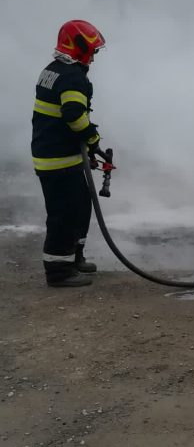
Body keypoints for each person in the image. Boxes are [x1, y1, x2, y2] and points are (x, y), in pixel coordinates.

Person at [31, 19, 107, 288]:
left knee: (80, 204)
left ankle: (74, 256)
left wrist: (90, 149)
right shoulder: (73, 77)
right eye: (93, 52)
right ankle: (58, 271)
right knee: (63, 212)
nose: (93, 59)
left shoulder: (52, 70)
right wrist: (93, 138)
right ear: (78, 47)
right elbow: (74, 115)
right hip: (57, 158)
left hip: (60, 154)